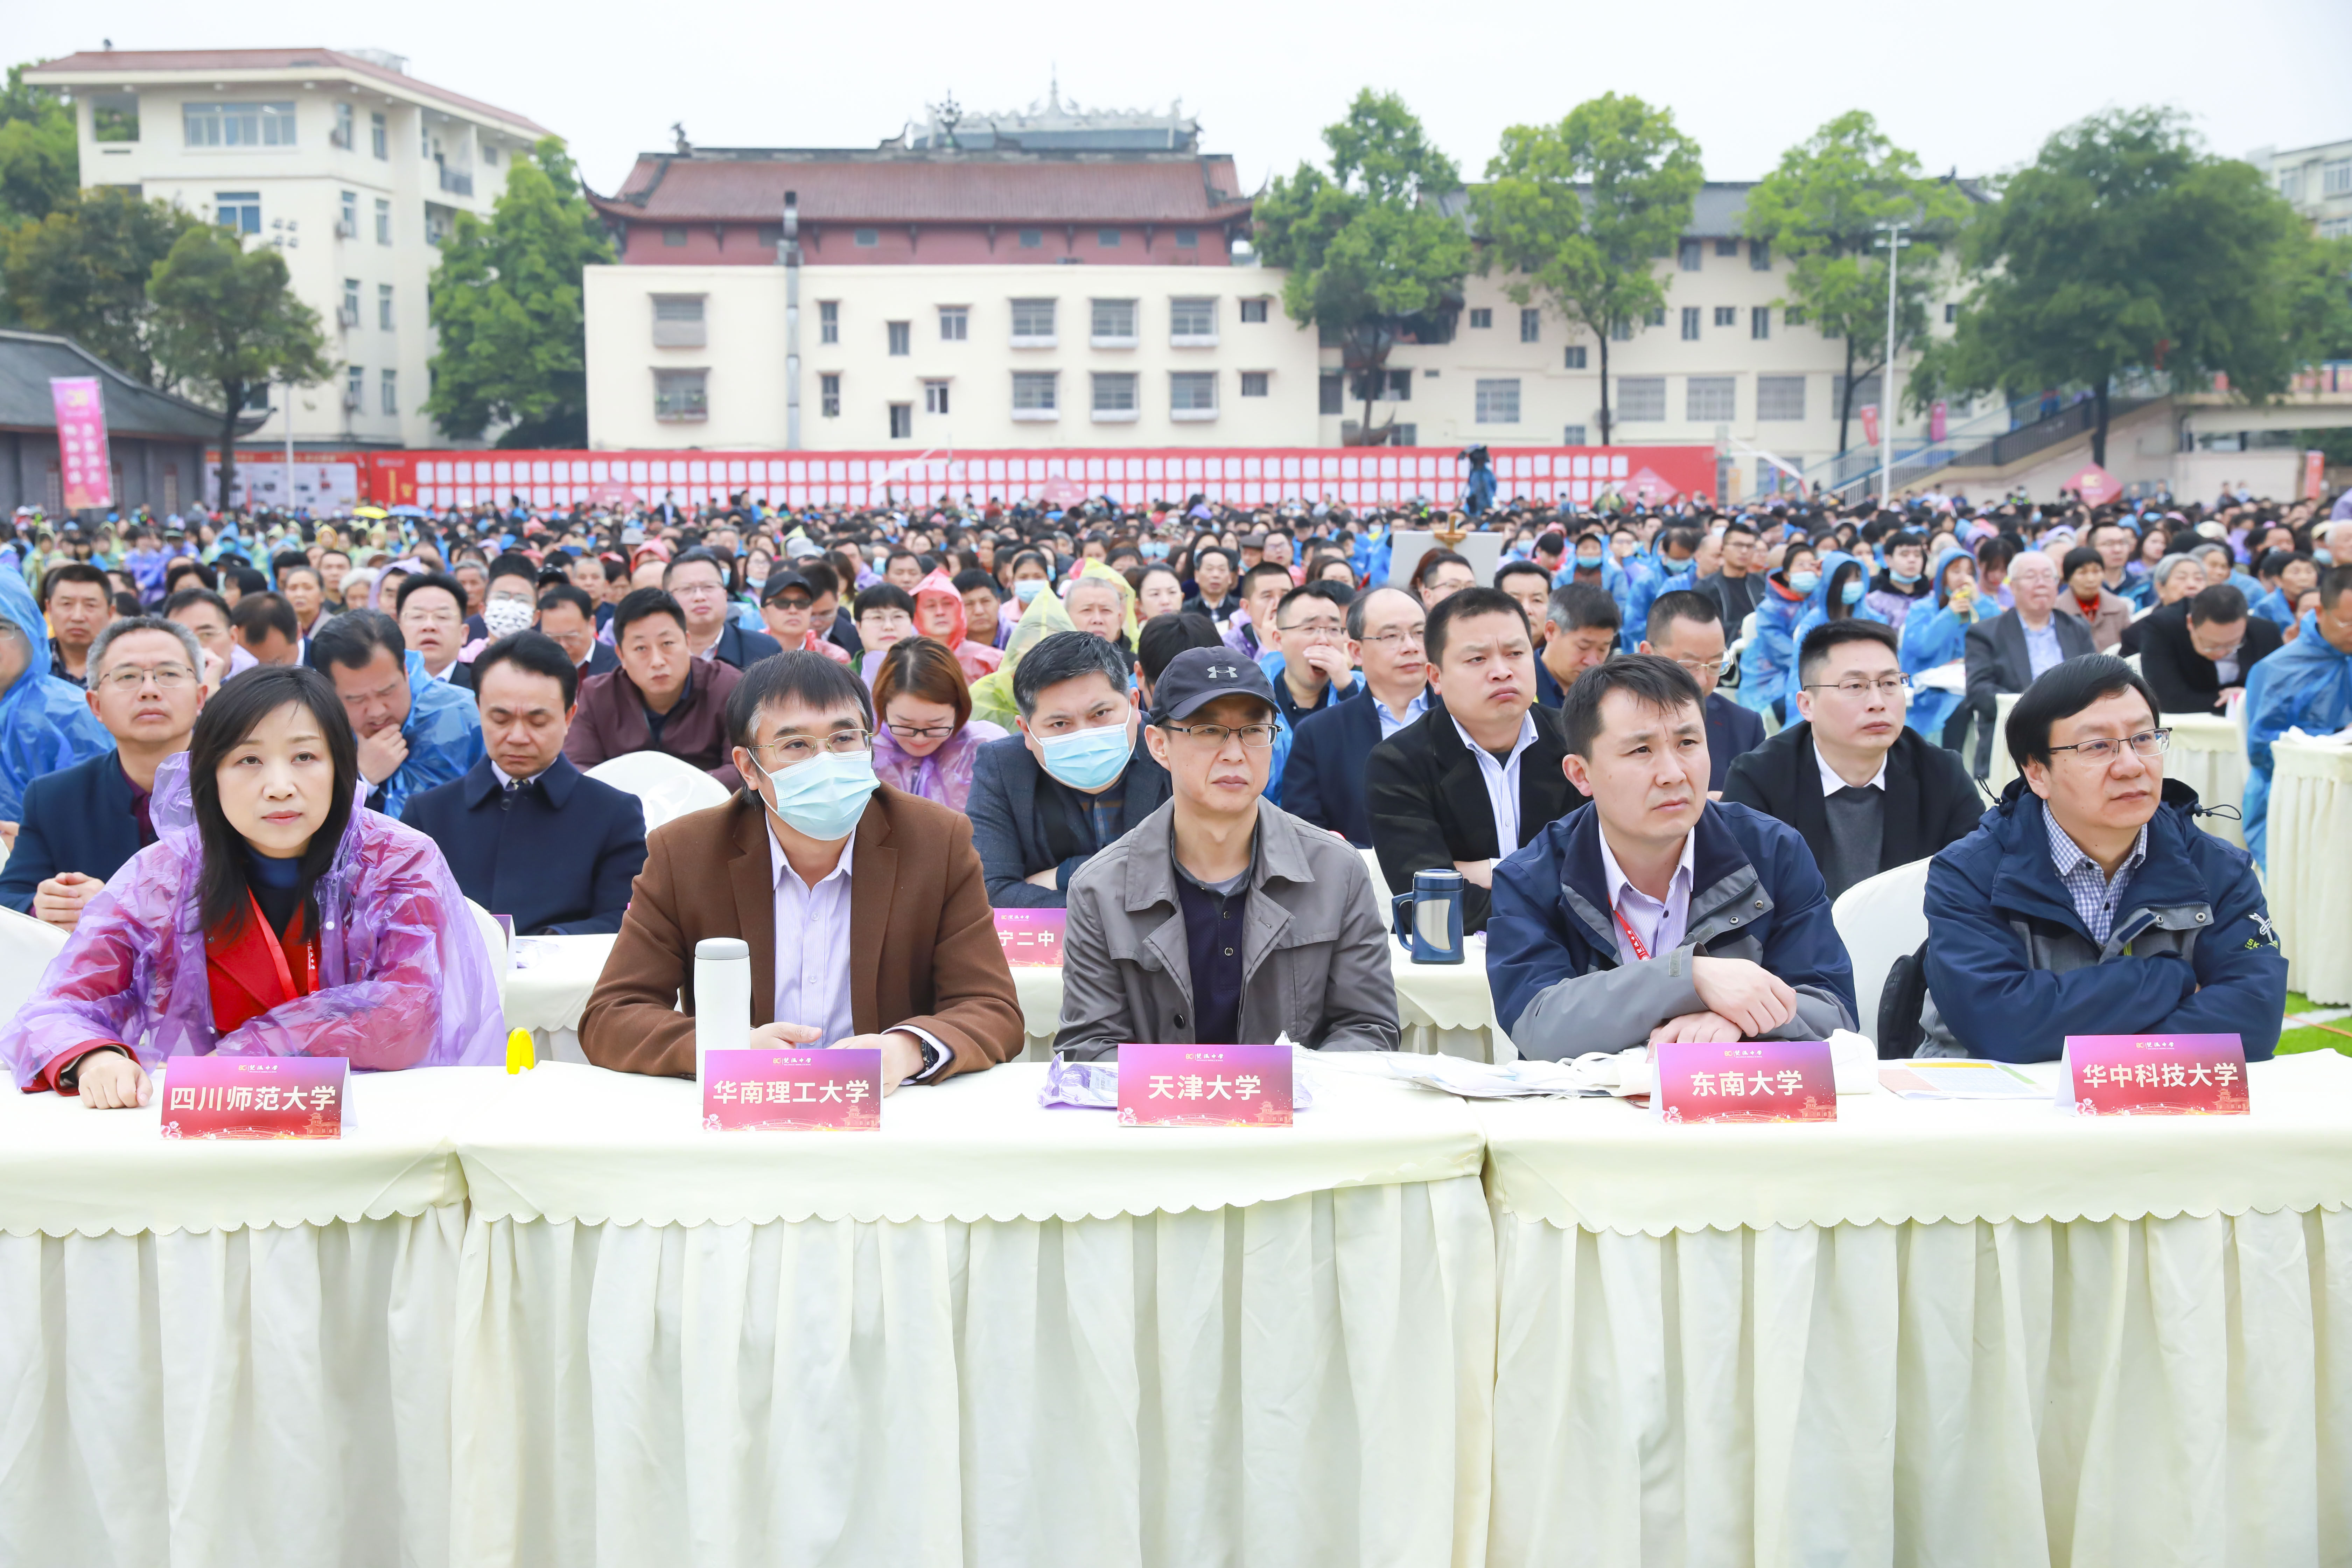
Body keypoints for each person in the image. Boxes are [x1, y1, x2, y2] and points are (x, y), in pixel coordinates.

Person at [1, 666, 505, 1101]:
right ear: (210, 776)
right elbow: (60, 1004)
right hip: (209, 1123)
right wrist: (96, 1057)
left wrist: (255, 1050)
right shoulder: (163, 876)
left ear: (340, 769)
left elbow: (410, 1012)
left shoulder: (395, 860)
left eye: (305, 757)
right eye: (249, 761)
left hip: (370, 1120)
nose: (280, 785)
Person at [580, 651, 1023, 1088]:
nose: (825, 762)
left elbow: (992, 1007)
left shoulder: (936, 841)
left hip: (889, 1115)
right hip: (747, 1111)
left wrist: (907, 1051)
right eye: (796, 745)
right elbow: (612, 1015)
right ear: (748, 768)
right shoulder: (686, 853)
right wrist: (726, 1048)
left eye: (845, 739)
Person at [1916, 656, 2284, 1062]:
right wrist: (2170, 977)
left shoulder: (2219, 869)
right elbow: (2002, 1025)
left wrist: (2085, 1042)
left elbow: (2254, 1019)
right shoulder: (1970, 873)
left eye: (2144, 739)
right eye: (2097, 747)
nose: (2131, 766)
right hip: (2000, 1110)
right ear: (2037, 772)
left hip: (2153, 1112)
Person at [1486, 656, 1856, 1058]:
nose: (1673, 773)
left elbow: (1833, 1012)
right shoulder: (1531, 878)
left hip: (1734, 1112)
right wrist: (1688, 977)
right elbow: (1539, 1027)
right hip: (1589, 1115)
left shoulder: (1772, 852)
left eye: (1688, 744)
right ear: (1580, 774)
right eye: (1641, 749)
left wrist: (1737, 1023)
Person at [1054, 649, 1399, 1057]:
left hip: (1298, 1115)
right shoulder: (1100, 887)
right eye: (1208, 730)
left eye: (1253, 730)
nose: (1235, 753)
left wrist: (1282, 1093)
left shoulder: (1335, 870)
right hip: (1159, 1114)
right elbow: (1090, 1047)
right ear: (1159, 745)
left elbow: (1368, 1026)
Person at [398, 632, 647, 937]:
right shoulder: (428, 813)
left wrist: (552, 943)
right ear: (479, 709)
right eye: (501, 719)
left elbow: (623, 917)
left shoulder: (614, 813)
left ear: (569, 716)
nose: (517, 737)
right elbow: (404, 916)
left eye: (538, 721)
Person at [1722, 622, 1982, 901]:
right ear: (1807, 705)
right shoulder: (1759, 778)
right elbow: (1743, 897)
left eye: (1890, 683)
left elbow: (1975, 883)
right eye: (1855, 685)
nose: (1877, 702)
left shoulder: (1942, 774)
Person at [1366, 586, 1575, 934]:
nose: (1501, 671)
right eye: (1477, 659)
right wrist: (1544, 884)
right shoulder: (1398, 762)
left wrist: (1485, 871)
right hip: (1452, 969)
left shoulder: (1577, 741)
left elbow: (1605, 875)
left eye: (1515, 653)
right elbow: (1432, 906)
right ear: (1436, 677)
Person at [1, 617, 205, 925]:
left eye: (169, 674)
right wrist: (43, 907)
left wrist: (114, 905)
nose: (150, 690)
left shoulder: (237, 789)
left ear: (201, 697)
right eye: (127, 676)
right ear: (95, 705)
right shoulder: (54, 798)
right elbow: (11, 897)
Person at [966, 630, 1170, 909]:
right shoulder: (1002, 767)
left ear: (1134, 704)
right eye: (1060, 724)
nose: (1085, 735)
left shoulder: (1173, 749)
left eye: (1100, 714)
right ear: (1026, 730)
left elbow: (1211, 872)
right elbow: (989, 893)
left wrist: (1063, 874)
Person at [1285, 586, 1429, 845]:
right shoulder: (1318, 734)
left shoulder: (1468, 717)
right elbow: (1304, 834)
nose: (1411, 646)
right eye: (1392, 636)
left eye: (1420, 633)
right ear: (1356, 651)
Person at [312, 609, 486, 820]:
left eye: (387, 692)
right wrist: (363, 779)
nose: (377, 712)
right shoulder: (316, 730)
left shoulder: (469, 716)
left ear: (405, 668)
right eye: (356, 699)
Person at [564, 587, 747, 782]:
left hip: (710, 808)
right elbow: (578, 769)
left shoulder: (728, 687)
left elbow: (743, 767)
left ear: (687, 642)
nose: (657, 661)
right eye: (641, 648)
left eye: (667, 643)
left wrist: (683, 790)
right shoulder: (597, 695)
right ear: (621, 656)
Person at [2243, 564, 2352, 864]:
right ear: (2320, 613)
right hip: (2297, 795)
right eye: (2348, 623)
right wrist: (2332, 738)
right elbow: (2262, 749)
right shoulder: (2279, 670)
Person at [0, 570, 114, 824]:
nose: (77, 615)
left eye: (2, 627)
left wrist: (31, 848)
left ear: (31, 632)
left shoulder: (68, 713)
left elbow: (93, 819)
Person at [1963, 552, 2095, 766]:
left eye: (2047, 577)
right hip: (2015, 734)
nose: (2041, 584)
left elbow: (2094, 681)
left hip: (2076, 733)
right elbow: (1979, 692)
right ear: (2013, 586)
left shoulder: (2077, 628)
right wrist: (2034, 710)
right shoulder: (1985, 633)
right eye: (2031, 577)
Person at [1638, 589, 1764, 793]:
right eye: (1689, 666)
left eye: (1715, 666)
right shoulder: (1612, 720)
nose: (1702, 681)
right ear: (1648, 654)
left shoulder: (1745, 727)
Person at [868, 635, 1007, 812]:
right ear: (882, 707)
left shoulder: (987, 748)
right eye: (906, 725)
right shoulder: (864, 753)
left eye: (935, 726)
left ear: (959, 709)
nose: (919, 739)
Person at [2136, 583, 2283, 719]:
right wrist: (2240, 701)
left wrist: (2248, 696)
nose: (2221, 653)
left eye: (2233, 645)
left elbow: (2281, 691)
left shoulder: (2266, 633)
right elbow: (2167, 699)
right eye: (2212, 645)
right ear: (2190, 623)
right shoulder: (2162, 627)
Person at [665, 547, 783, 668]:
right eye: (686, 589)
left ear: (725, 595)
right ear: (668, 599)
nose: (699, 597)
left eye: (709, 587)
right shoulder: (656, 654)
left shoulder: (765, 650)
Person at [1264, 582, 1356, 724]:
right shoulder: (1254, 693)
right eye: (1310, 629)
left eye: (1333, 629)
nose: (1324, 640)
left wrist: (1349, 691)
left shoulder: (1364, 689)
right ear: (1279, 640)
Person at [909, 566, 1004, 686]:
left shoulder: (991, 661)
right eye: (931, 606)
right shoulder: (906, 661)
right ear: (916, 614)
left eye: (947, 604)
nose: (940, 612)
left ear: (960, 609)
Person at [1533, 582, 1620, 707]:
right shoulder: (1521, 687)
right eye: (1583, 647)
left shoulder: (1611, 696)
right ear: (1551, 631)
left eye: (1603, 649)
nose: (1593, 662)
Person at [41, 562, 113, 687]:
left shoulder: (127, 664)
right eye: (67, 604)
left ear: (110, 612)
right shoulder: (29, 665)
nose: (78, 617)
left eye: (90, 605)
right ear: (49, 609)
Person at [757, 571, 851, 665]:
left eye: (802, 603)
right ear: (764, 614)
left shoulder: (834, 659)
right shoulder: (749, 652)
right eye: (782, 603)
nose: (793, 610)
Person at [396, 572, 472, 686]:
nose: (429, 626)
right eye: (417, 616)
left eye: (442, 617)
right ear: (398, 632)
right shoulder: (381, 687)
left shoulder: (483, 688)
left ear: (463, 634)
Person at [535, 582, 620, 681]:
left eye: (570, 637)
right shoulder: (534, 666)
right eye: (553, 638)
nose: (563, 646)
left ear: (592, 624)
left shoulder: (618, 665)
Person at [2054, 545, 2132, 653]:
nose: (2091, 579)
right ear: (2069, 579)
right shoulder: (2057, 610)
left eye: (2096, 572)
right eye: (2082, 573)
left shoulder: (2119, 607)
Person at [232, 592, 302, 667]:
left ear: (298, 633)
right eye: (253, 665)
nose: (264, 675)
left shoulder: (316, 662)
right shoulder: (228, 669)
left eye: (275, 664)